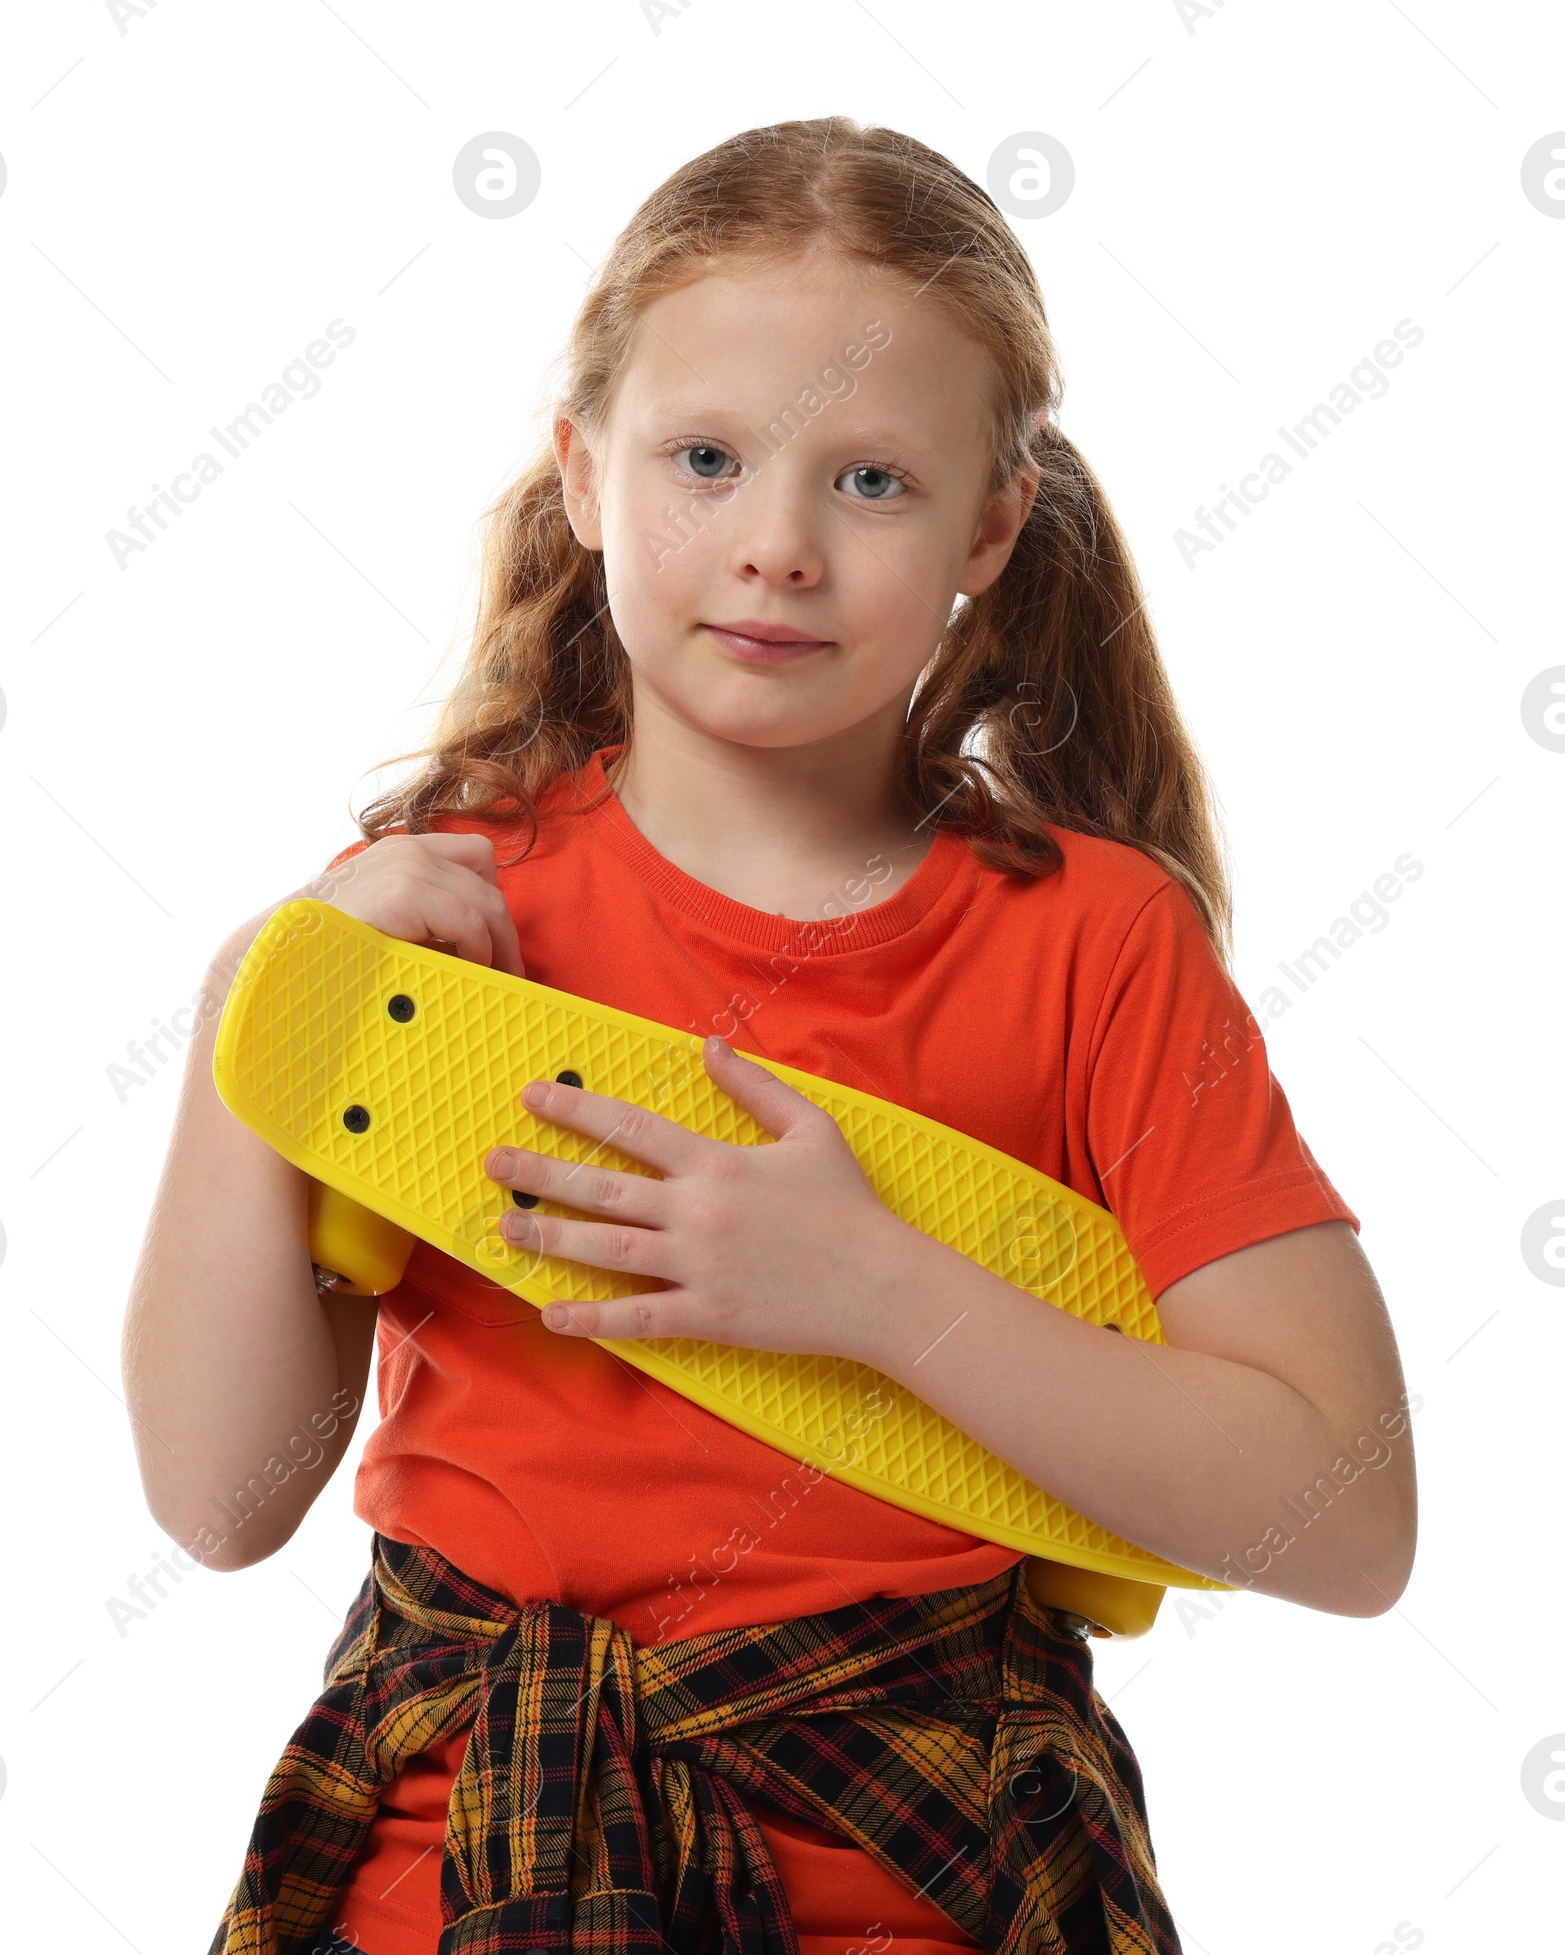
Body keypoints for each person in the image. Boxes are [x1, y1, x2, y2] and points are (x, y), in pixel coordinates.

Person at [122, 116, 1416, 1955]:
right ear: (581, 474)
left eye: (872, 481)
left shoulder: (1101, 947)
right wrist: (253, 1003)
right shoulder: (432, 919)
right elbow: (218, 1498)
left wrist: (878, 1293)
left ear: (993, 521)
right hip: (456, 1870)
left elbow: (1344, 1523)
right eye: (706, 460)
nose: (778, 548)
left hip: (926, 1879)